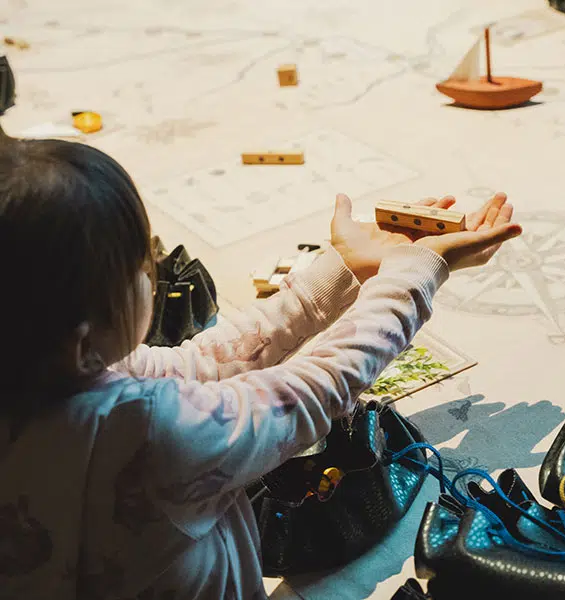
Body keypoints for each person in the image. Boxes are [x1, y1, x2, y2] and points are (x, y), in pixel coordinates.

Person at [0, 138, 521, 600]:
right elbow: (313, 390)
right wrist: (411, 276)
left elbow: (197, 363)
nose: (151, 276)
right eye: (140, 267)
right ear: (84, 330)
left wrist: (341, 272)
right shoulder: (152, 432)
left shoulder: (42, 369)